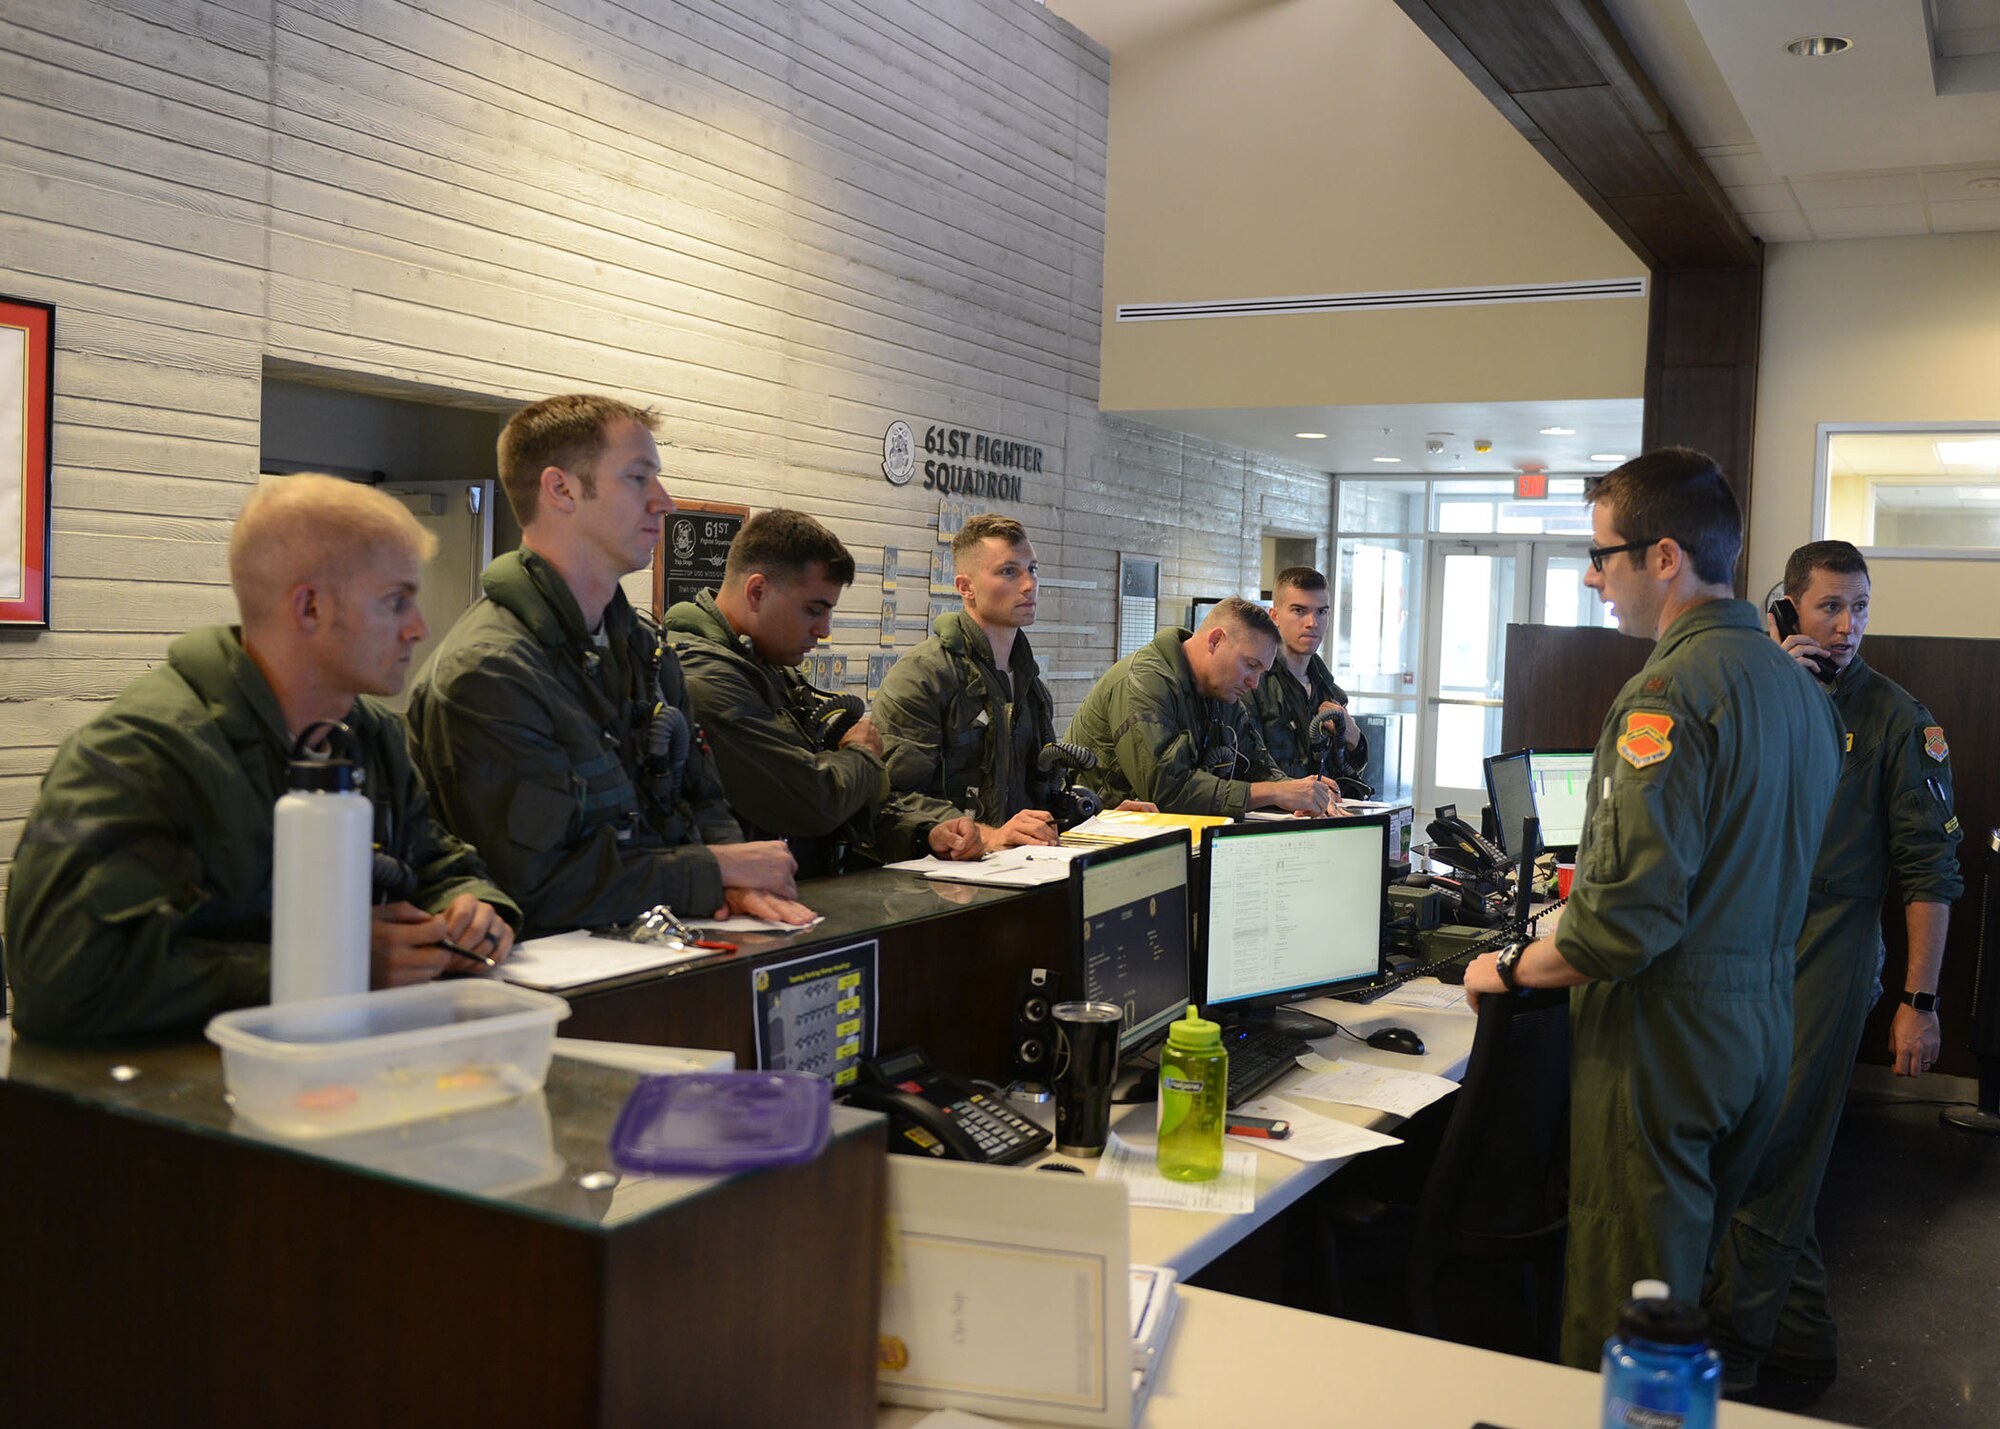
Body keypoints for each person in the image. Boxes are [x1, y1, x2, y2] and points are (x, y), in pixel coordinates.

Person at [1459, 448, 1842, 1369]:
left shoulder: (1664, 694)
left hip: (1665, 1040)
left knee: (1626, 1327)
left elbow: (1624, 924)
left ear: (1664, 557)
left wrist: (1501, 967)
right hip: (1760, 1029)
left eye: (1603, 556)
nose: (1595, 580)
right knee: (1684, 1306)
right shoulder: (1802, 689)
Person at [2, 475, 520, 1039]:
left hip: (334, 1074)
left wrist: (472, 910)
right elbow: (60, 981)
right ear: (310, 606)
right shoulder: (145, 751)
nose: (419, 629)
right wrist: (332, 968)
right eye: (396, 602)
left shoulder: (366, 736)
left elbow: (436, 862)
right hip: (172, 1104)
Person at [1705, 540, 1962, 1400]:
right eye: (1828, 608)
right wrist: (1775, 684)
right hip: (1743, 940)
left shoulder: (1896, 717)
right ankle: (1803, 1341)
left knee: (1779, 1147)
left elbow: (1930, 872)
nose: (1847, 626)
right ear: (1786, 607)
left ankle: (1737, 1351)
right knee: (1750, 1141)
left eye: (1859, 608)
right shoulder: (1758, 687)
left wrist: (1917, 1001)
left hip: (1832, 945)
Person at [405, 393, 809, 938]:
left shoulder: (646, 651)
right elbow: (532, 887)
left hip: (666, 957)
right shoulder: (491, 672)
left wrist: (739, 878)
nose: (664, 502)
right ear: (562, 489)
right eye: (639, 478)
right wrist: (712, 871)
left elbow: (702, 798)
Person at [662, 508, 982, 877]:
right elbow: (812, 800)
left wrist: (924, 832)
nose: (824, 630)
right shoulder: (704, 677)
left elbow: (844, 796)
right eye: (814, 610)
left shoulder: (767, 669)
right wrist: (863, 753)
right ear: (757, 591)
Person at [871, 513, 1071, 850]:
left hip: (1020, 872)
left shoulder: (1031, 687)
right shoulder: (924, 676)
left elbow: (1042, 794)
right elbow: (891, 799)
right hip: (935, 881)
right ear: (966, 587)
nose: (1029, 584)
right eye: (1009, 571)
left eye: (1032, 569)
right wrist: (988, 835)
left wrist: (1097, 817)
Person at [1063, 596, 1338, 816]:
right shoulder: (1144, 682)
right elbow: (1167, 789)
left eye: (1261, 672)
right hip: (1094, 840)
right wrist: (1274, 792)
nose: (1254, 683)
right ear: (1215, 640)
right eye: (1250, 665)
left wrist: (1300, 789)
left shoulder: (1221, 691)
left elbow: (1255, 763)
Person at [1247, 566, 1370, 786]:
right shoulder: (1251, 683)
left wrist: (1353, 736)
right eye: (1299, 611)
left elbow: (1347, 768)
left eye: (1321, 612)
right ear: (1274, 616)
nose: (1312, 623)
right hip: (1270, 815)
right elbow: (1247, 765)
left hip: (1322, 814)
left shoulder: (1329, 690)